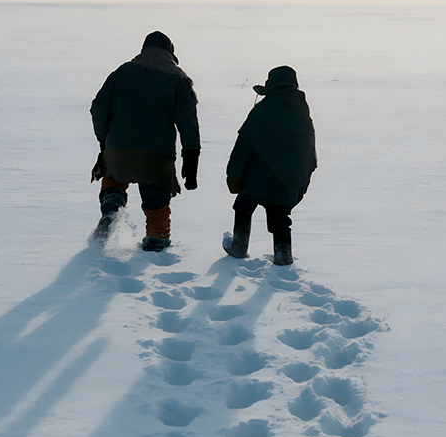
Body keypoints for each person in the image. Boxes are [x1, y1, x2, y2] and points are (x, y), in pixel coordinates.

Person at [90, 31, 200, 252]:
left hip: (118, 148)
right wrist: (191, 158)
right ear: (170, 53)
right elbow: (188, 122)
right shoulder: (179, 79)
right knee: (157, 205)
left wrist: (104, 141)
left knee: (113, 177)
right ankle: (156, 242)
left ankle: (112, 207)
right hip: (157, 156)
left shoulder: (121, 72)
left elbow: (98, 108)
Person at [223, 65, 317, 265]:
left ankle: (238, 247)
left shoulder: (264, 109)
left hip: (256, 178)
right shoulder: (302, 112)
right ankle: (283, 257)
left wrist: (233, 175)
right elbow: (309, 152)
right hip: (285, 182)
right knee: (280, 219)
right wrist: (301, 182)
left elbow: (244, 144)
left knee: (243, 208)